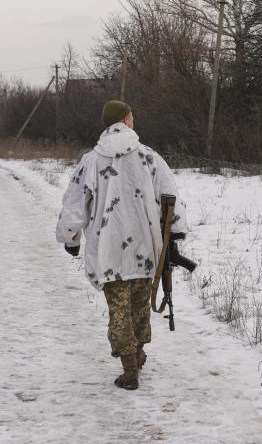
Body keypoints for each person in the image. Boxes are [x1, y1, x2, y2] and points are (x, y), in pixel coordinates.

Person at [56, 100, 189, 390]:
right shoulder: (148, 156)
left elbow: (76, 201)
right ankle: (136, 356)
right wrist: (176, 233)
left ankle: (131, 363)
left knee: (119, 308)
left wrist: (70, 237)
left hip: (109, 249)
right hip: (145, 245)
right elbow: (169, 195)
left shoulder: (91, 160)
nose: (134, 120)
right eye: (132, 117)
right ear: (126, 121)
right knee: (141, 304)